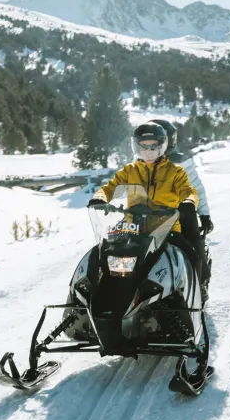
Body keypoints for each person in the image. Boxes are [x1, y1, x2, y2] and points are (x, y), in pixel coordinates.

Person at [87, 122, 210, 300]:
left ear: (163, 146)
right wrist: (100, 197)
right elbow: (110, 187)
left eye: (154, 146)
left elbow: (189, 191)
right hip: (134, 229)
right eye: (144, 147)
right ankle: (97, 295)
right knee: (104, 252)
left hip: (167, 229)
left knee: (191, 254)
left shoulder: (175, 172)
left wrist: (189, 202)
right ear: (136, 147)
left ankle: (197, 293)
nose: (149, 151)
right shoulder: (129, 171)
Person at [148, 118, 214, 297]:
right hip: (148, 214)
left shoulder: (181, 161)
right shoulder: (141, 161)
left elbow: (196, 189)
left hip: (180, 213)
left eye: (156, 140)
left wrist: (205, 215)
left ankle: (199, 282)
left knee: (192, 245)